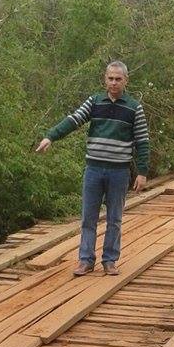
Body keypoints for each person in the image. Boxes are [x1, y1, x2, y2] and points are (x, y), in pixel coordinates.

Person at [36, 61, 150, 276]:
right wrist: (50, 136)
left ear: (126, 80)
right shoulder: (95, 102)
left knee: (114, 218)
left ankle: (110, 260)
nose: (114, 82)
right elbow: (74, 120)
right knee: (88, 217)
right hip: (94, 169)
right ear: (105, 79)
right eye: (110, 78)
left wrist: (142, 172)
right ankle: (85, 260)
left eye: (118, 79)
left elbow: (142, 142)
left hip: (119, 172)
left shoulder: (134, 108)